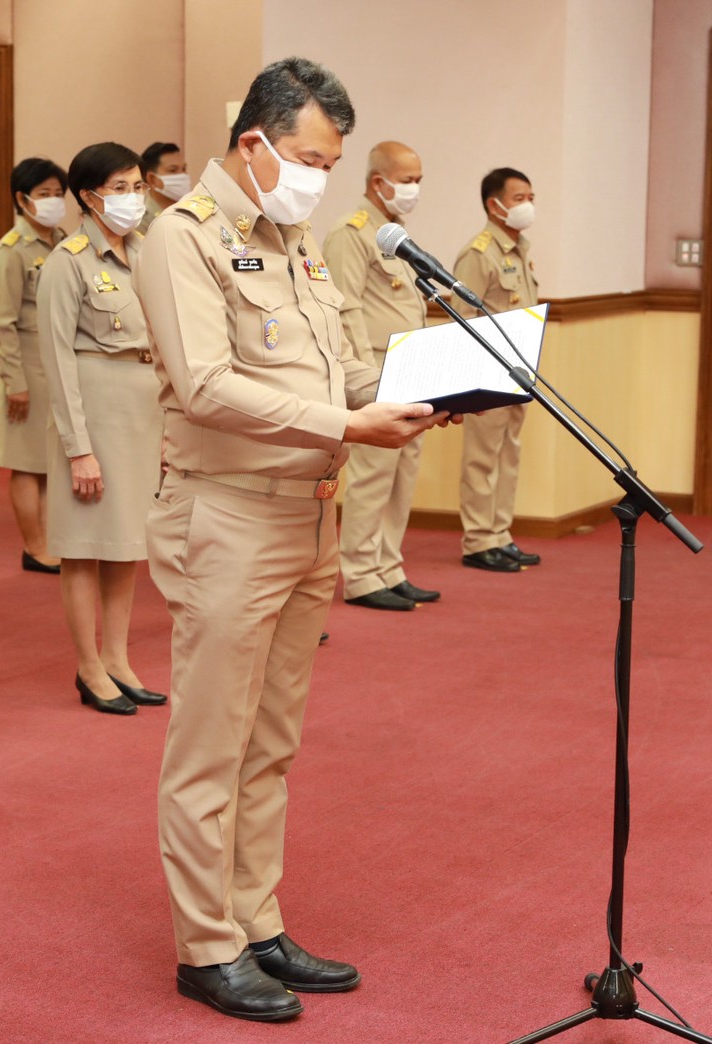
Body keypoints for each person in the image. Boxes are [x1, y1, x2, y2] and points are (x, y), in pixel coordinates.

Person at [136, 57, 449, 1022]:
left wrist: (404, 391)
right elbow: (207, 386)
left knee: (270, 743)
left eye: (333, 160)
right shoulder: (180, 241)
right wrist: (352, 427)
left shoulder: (295, 237)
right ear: (254, 144)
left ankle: (256, 918)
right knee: (211, 743)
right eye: (310, 156)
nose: (320, 175)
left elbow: (333, 364)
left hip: (309, 508)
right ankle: (207, 945)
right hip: (228, 515)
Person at [38, 143, 166, 717]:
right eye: (120, 188)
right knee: (85, 549)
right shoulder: (68, 260)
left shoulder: (146, 251)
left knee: (126, 546)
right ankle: (89, 665)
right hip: (93, 408)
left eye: (137, 186)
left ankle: (118, 658)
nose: (133, 198)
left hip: (141, 408)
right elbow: (57, 358)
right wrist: (78, 449)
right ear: (88, 197)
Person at [324, 141, 437, 612]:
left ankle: (388, 565)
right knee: (373, 476)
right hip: (374, 368)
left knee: (402, 474)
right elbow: (345, 307)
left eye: (418, 180)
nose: (413, 189)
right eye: (407, 180)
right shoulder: (351, 234)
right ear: (378, 181)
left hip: (409, 364)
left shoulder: (394, 232)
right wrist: (365, 380)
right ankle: (360, 575)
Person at [453, 167, 543, 573]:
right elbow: (462, 317)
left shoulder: (520, 247)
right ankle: (477, 540)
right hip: (486, 373)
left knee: (509, 454)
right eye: (519, 198)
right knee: (481, 459)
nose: (528, 205)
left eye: (530, 197)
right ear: (495, 204)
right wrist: (469, 377)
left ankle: (500, 534)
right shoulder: (479, 252)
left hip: (519, 372)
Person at [0, 157, 67, 574]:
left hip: (58, 367)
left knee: (53, 460)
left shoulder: (63, 242)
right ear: (22, 199)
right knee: (27, 463)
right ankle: (34, 547)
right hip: (27, 370)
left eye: (58, 194)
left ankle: (53, 542)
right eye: (43, 195)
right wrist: (14, 381)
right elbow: (3, 324)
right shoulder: (11, 251)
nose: (53, 202)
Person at [139, 141, 189, 232]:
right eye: (173, 170)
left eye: (184, 169)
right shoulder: (140, 221)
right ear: (152, 179)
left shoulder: (189, 212)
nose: (183, 175)